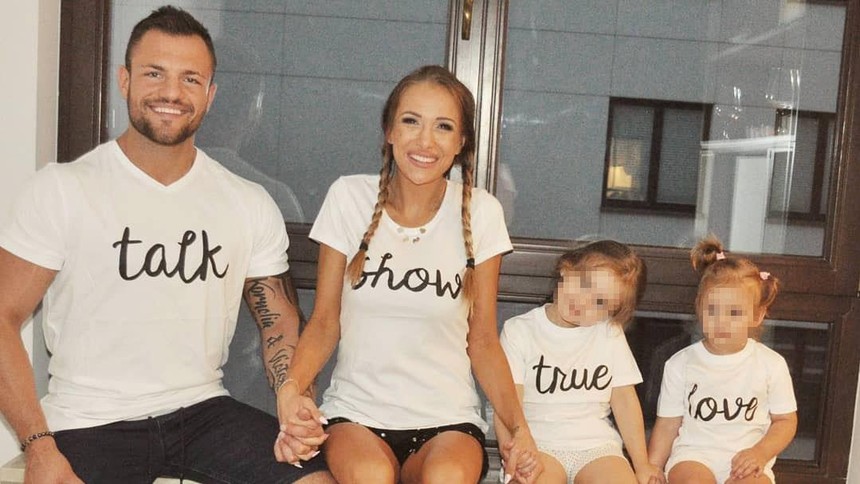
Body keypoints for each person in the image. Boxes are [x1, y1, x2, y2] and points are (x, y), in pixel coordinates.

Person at [0, 6, 331, 483]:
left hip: (203, 412)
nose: (172, 93)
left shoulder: (247, 202)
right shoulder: (64, 190)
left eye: (190, 79)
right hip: (90, 421)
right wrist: (37, 447)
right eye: (154, 73)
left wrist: (291, 394)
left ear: (210, 95)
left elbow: (277, 316)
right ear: (125, 80)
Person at [274, 64, 542, 484]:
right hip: (356, 416)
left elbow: (483, 341)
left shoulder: (482, 212)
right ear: (389, 131)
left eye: (443, 127)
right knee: (371, 475)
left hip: (448, 422)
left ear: (461, 142)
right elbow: (325, 322)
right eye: (411, 121)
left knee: (445, 478)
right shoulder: (348, 197)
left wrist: (519, 429)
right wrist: (291, 389)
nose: (425, 141)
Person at [496, 240, 664, 484]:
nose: (584, 302)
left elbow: (625, 401)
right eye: (585, 285)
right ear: (566, 269)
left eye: (600, 302)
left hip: (597, 447)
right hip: (538, 444)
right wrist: (514, 453)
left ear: (612, 312)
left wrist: (642, 464)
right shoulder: (520, 331)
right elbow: (506, 402)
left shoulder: (609, 334)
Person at [647, 235, 798, 483]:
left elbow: (785, 421)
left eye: (734, 313)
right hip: (693, 457)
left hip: (748, 461)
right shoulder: (680, 363)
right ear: (699, 308)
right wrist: (653, 466)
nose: (722, 321)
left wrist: (760, 453)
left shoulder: (771, 364)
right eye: (713, 310)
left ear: (757, 315)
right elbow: (668, 424)